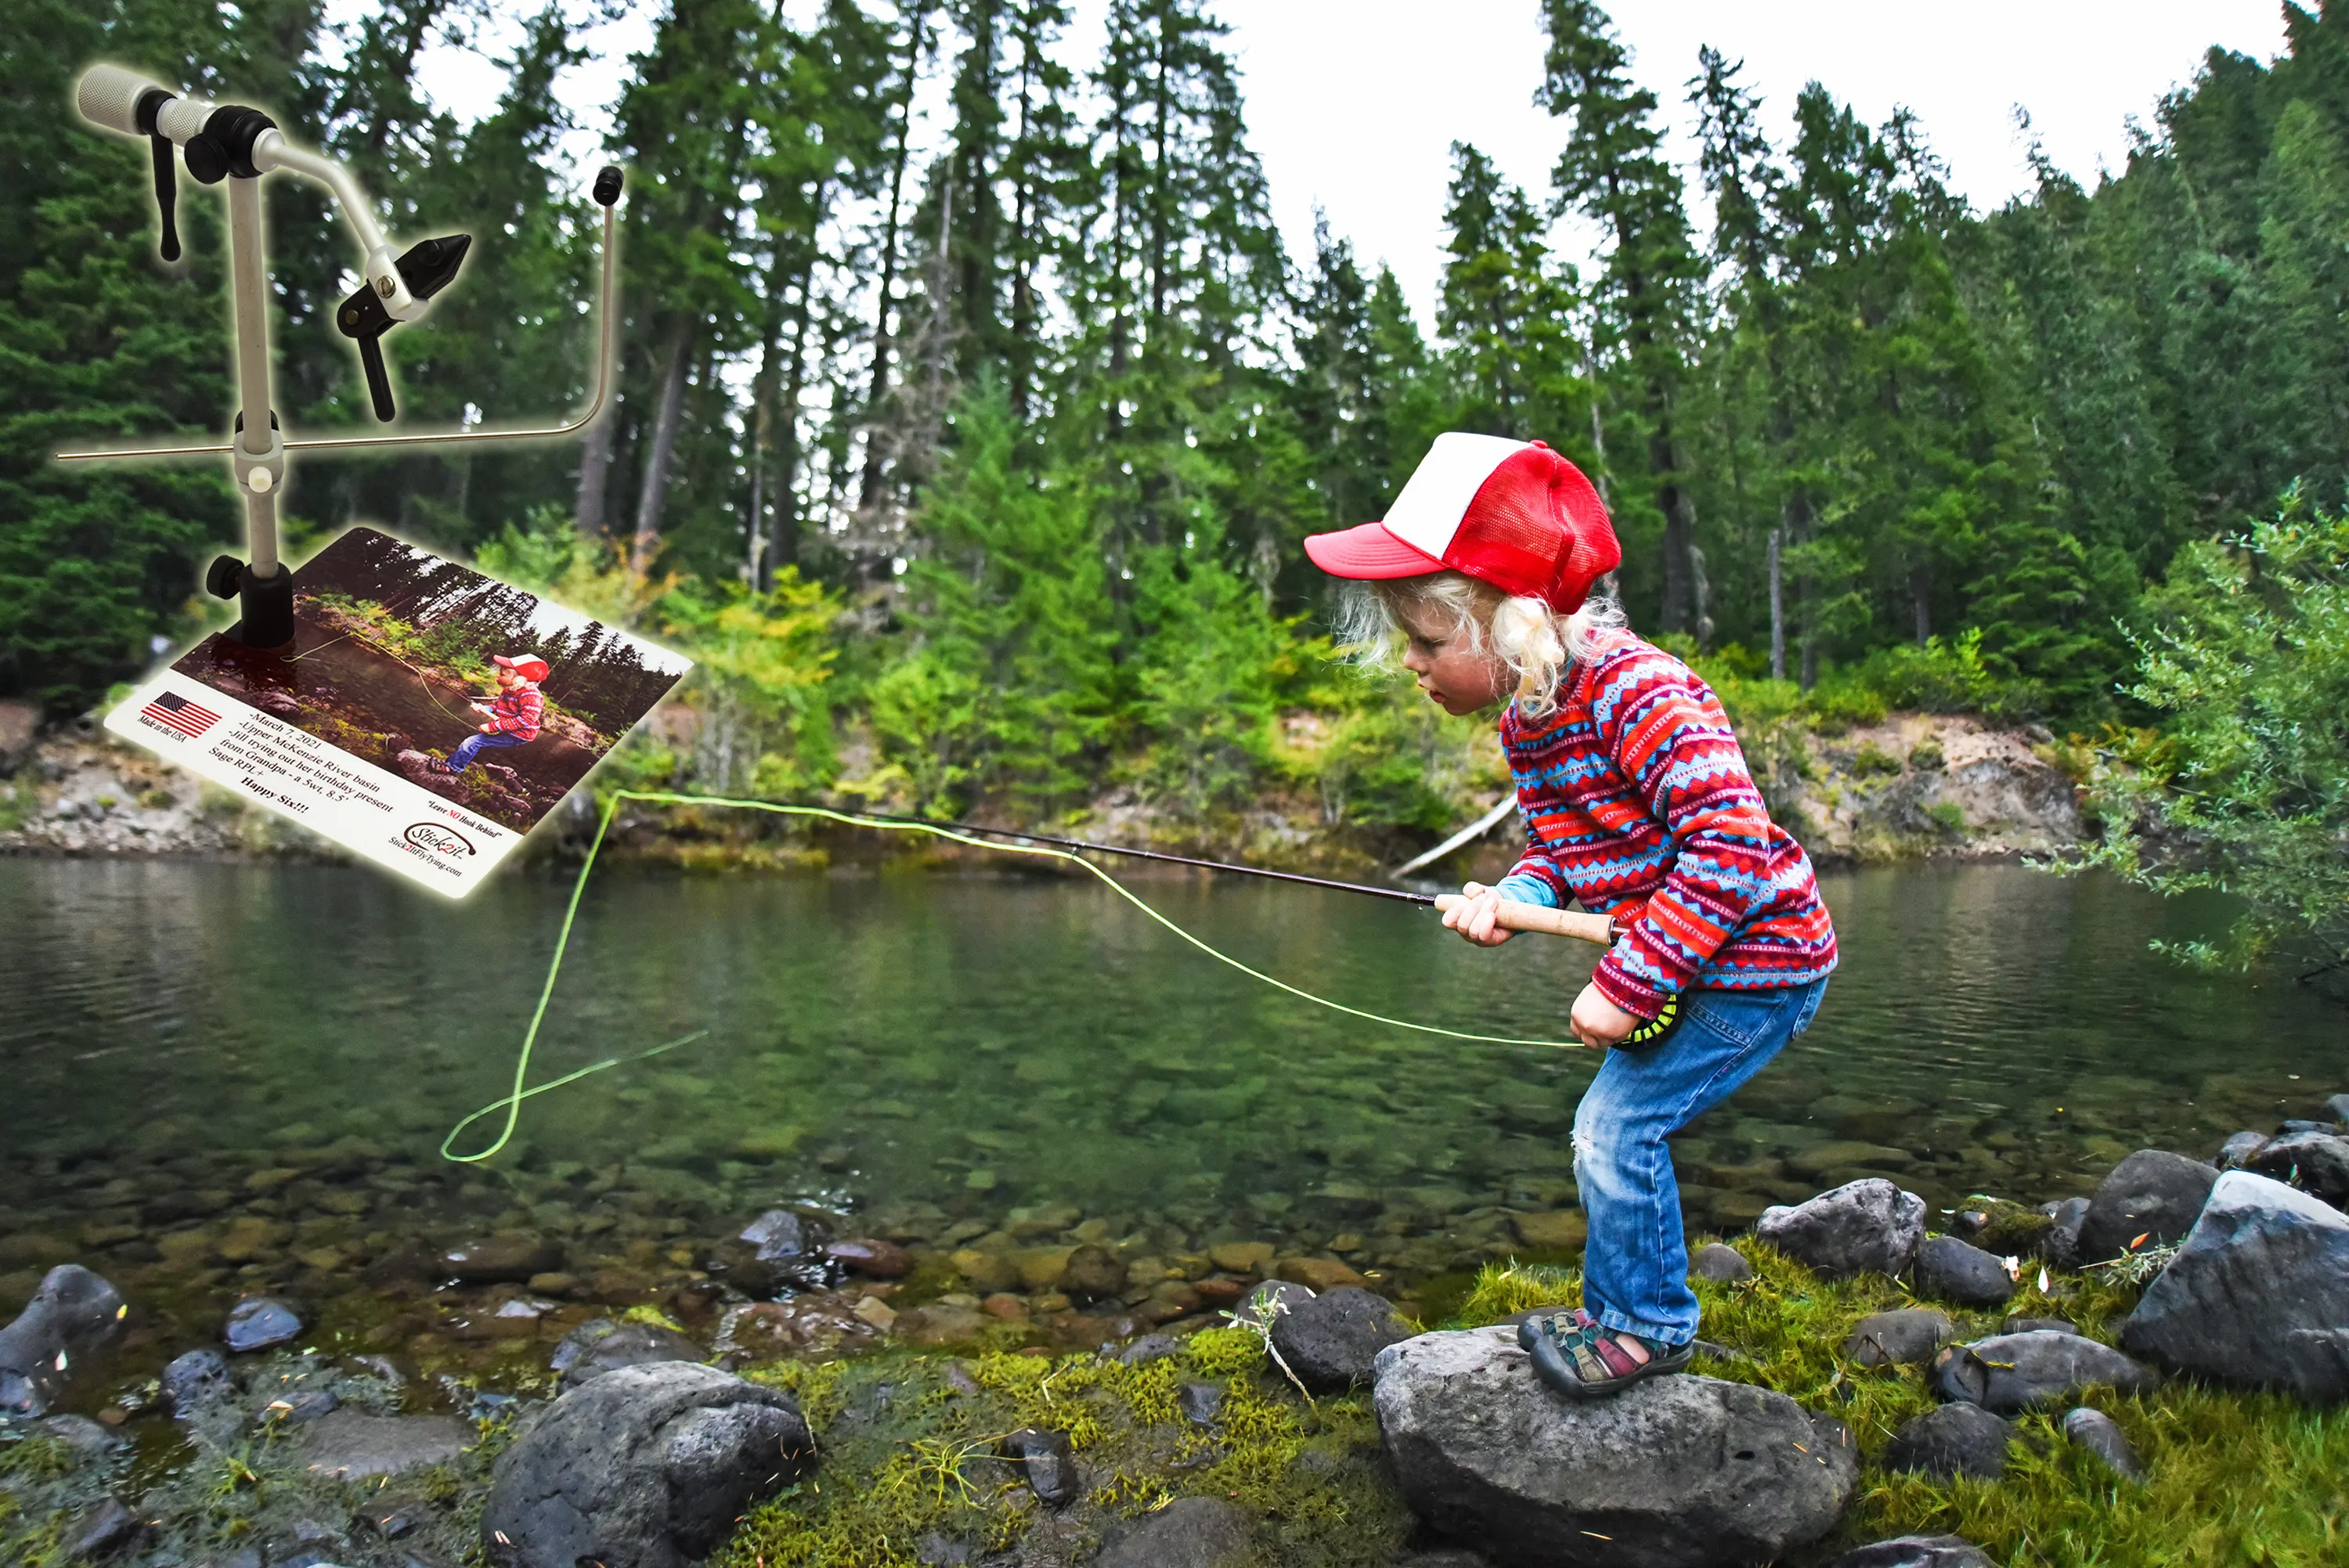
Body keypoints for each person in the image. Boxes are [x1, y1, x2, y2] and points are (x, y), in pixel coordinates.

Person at [1303, 432, 1837, 1398]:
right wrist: (1523, 896)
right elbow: (1572, 845)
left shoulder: (1642, 690)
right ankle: (1617, 1302)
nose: (1410, 665)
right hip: (1692, 963)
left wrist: (1628, 986)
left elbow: (1732, 844)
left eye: (1426, 642)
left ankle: (1649, 1325)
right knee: (1614, 1126)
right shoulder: (1531, 713)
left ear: (1507, 625)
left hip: (1763, 964)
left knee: (1614, 1129)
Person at [428, 653, 548, 776]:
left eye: (502, 674)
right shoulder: (509, 689)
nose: (498, 675)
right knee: (473, 742)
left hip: (519, 734)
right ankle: (451, 763)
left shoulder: (531, 695)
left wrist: (492, 727)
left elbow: (526, 720)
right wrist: (485, 708)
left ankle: (454, 768)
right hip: (506, 726)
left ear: (518, 679)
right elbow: (498, 706)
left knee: (472, 742)